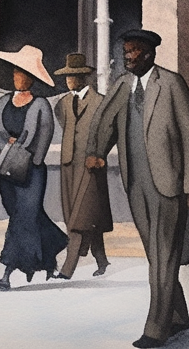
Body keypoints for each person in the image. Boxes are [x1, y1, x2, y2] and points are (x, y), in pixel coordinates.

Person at [85, 29, 189, 349]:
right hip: (135, 182)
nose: (127, 56)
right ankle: (177, 315)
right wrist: (96, 152)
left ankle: (156, 328)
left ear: (149, 54)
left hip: (168, 184)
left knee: (164, 254)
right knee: (156, 255)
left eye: (134, 51)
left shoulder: (171, 83)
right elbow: (104, 121)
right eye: (125, 50)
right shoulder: (122, 85)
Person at [0, 45, 67, 290]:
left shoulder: (41, 105)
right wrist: (9, 150)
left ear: (31, 78)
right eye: (15, 72)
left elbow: (43, 138)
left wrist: (24, 154)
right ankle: (52, 247)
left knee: (22, 218)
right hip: (6, 169)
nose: (17, 77)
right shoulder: (3, 102)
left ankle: (8, 270)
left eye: (22, 73)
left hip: (31, 172)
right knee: (24, 216)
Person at [53, 52, 112, 279]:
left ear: (84, 77)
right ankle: (102, 259)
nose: (69, 80)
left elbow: (110, 132)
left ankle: (68, 269)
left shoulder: (100, 102)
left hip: (91, 166)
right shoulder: (64, 103)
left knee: (79, 217)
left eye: (73, 75)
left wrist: (99, 154)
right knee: (81, 216)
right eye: (67, 75)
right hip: (69, 164)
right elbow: (64, 124)